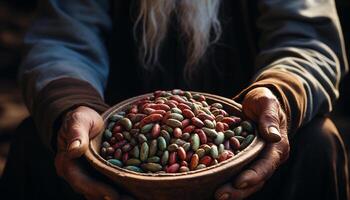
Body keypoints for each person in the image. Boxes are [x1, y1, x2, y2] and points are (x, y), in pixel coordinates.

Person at [1, 0, 349, 199]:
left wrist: (277, 95)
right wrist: (73, 105)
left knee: (318, 143)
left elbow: (307, 39)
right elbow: (62, 39)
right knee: (38, 139)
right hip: (111, 137)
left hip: (246, 134)